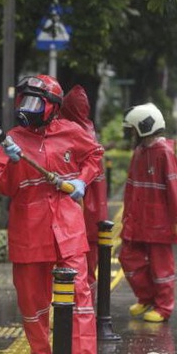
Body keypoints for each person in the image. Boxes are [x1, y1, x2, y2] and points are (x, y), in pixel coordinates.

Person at [0, 74, 101, 354]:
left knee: (80, 296)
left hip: (67, 227)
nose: (29, 108)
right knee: (31, 298)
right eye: (24, 101)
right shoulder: (13, 139)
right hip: (29, 229)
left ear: (53, 107)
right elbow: (1, 185)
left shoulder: (71, 132)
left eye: (36, 102)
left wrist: (82, 180)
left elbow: (95, 155)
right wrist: (11, 164)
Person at [120, 103, 177, 323]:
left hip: (159, 222)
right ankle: (147, 297)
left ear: (143, 127)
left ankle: (163, 306)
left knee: (162, 266)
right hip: (138, 220)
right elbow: (130, 186)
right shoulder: (139, 152)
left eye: (133, 129)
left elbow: (175, 187)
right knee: (128, 257)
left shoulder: (164, 153)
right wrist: (126, 217)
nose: (131, 134)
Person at [59, 85, 108, 302]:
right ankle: (78, 311)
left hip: (82, 214)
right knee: (86, 268)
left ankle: (74, 313)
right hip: (93, 213)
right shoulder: (88, 130)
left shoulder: (74, 134)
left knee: (79, 269)